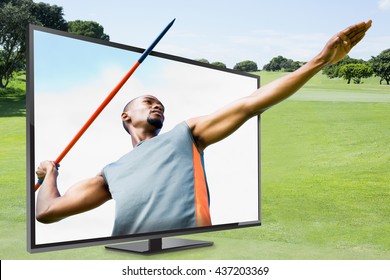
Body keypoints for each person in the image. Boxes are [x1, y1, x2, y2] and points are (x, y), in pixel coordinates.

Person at [36, 20, 372, 235]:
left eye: (161, 105)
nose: (158, 106)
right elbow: (48, 212)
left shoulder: (185, 134)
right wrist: (50, 172)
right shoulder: (110, 173)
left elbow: (251, 103)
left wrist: (319, 61)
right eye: (148, 101)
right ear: (125, 117)